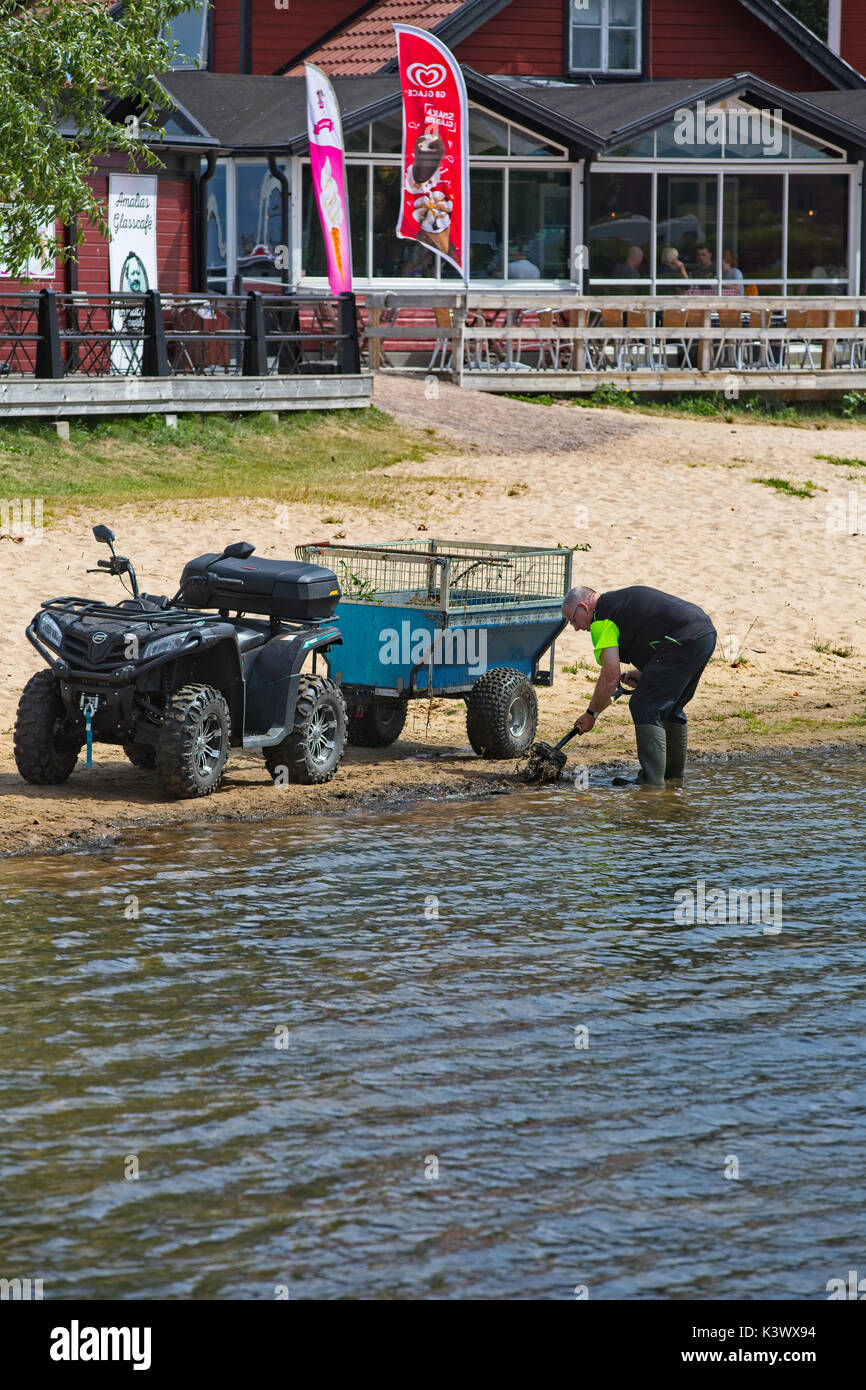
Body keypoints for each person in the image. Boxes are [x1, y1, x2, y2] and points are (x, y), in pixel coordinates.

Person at [562, 584, 717, 787]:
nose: (576, 628)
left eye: (573, 620)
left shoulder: (602, 620)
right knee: (670, 706)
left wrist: (591, 714)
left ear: (583, 607)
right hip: (704, 633)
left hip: (682, 640)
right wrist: (646, 673)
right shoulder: (618, 602)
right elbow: (656, 631)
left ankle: (651, 785)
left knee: (644, 705)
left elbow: (610, 675)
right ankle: (672, 780)